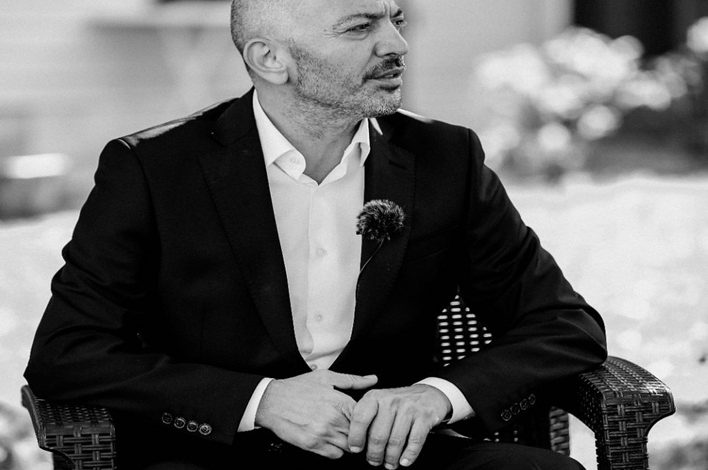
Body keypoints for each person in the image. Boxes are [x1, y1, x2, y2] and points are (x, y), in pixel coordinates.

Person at [25, 1, 607, 469]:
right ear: (270, 58)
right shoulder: (154, 169)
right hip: (212, 453)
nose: (396, 44)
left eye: (395, 20)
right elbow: (68, 352)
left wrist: (436, 395)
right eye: (360, 27)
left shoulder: (445, 159)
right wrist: (260, 401)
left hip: (394, 456)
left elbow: (564, 325)